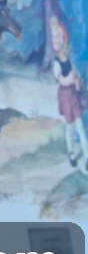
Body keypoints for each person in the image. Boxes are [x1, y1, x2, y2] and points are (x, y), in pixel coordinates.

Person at [50, 15, 88, 170]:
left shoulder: (68, 57)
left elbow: (73, 74)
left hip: (73, 94)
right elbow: (61, 80)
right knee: (70, 126)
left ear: (64, 38)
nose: (55, 40)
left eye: (58, 36)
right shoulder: (56, 62)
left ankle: (87, 157)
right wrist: (71, 80)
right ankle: (71, 151)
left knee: (80, 125)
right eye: (53, 37)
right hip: (65, 96)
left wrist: (77, 81)